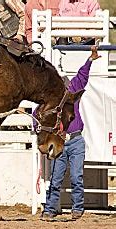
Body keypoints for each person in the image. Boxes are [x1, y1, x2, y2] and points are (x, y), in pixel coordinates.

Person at [41, 45, 101, 220]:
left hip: (73, 140)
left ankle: (70, 209)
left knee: (75, 177)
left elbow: (81, 77)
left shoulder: (70, 91)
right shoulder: (53, 97)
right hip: (63, 141)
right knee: (56, 178)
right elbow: (37, 112)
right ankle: (54, 209)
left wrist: (90, 60)